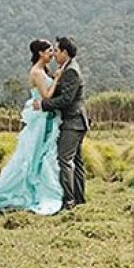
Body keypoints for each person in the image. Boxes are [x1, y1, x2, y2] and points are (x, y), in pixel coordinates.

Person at [0, 40, 64, 215]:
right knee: (38, 155)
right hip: (42, 120)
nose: (52, 54)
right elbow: (46, 96)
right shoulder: (37, 72)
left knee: (41, 156)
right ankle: (33, 192)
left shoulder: (42, 71)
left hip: (45, 115)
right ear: (40, 53)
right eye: (49, 51)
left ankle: (39, 188)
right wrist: (56, 79)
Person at [35, 36, 88, 211]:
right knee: (76, 161)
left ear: (65, 52)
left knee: (64, 159)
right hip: (77, 121)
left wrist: (43, 104)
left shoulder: (71, 71)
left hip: (73, 121)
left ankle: (69, 200)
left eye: (56, 51)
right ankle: (79, 198)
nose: (55, 54)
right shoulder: (65, 68)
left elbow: (66, 99)